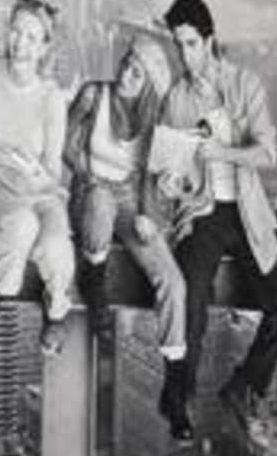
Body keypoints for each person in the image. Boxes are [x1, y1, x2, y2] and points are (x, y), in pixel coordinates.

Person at [153, 0, 277, 456]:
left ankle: (241, 388)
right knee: (191, 301)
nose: (185, 54)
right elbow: (163, 172)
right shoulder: (176, 97)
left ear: (210, 40)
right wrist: (172, 180)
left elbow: (267, 153)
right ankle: (177, 400)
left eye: (192, 44)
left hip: (245, 209)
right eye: (178, 45)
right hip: (201, 213)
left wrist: (221, 152)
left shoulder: (245, 85)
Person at [68, 27, 190, 363]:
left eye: (137, 72)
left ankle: (174, 361)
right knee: (100, 201)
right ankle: (93, 278)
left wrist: (148, 216)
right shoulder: (94, 95)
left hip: (129, 201)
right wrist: (87, 175)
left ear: (149, 85)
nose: (126, 74)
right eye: (125, 64)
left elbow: (152, 179)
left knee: (173, 282)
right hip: (90, 190)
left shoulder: (154, 124)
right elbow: (65, 149)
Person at [0, 0, 78, 322]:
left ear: (43, 49)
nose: (20, 44)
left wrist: (40, 175)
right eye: (15, 31)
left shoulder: (51, 97)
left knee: (57, 250)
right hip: (2, 185)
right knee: (21, 226)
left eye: (31, 37)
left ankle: (54, 312)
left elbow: (53, 170)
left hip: (40, 190)